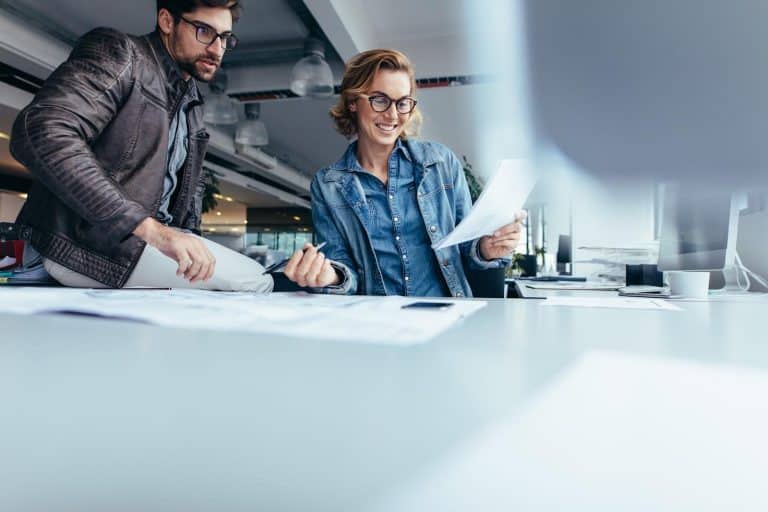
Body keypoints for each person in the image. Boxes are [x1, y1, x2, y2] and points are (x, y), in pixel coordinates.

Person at [9, 0, 272, 292]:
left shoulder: (192, 103)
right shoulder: (122, 55)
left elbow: (187, 193)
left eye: (224, 37)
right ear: (167, 21)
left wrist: (187, 241)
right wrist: (153, 231)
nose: (216, 48)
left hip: (139, 247)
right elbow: (41, 131)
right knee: (255, 282)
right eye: (203, 30)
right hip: (84, 246)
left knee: (243, 278)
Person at [284, 49, 525, 297]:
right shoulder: (328, 185)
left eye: (402, 103)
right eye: (379, 100)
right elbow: (343, 267)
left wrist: (487, 247)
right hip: (378, 324)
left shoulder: (441, 162)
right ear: (353, 102)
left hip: (448, 317)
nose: (392, 114)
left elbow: (465, 248)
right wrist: (330, 276)